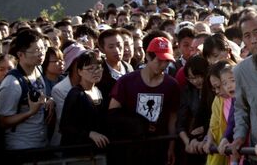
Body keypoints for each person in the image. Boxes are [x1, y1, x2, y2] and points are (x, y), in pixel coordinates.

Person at [108, 36, 180, 165]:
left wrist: (171, 147)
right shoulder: (126, 81)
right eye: (159, 60)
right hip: (131, 148)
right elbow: (113, 112)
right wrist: (136, 123)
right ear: (148, 56)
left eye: (167, 61)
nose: (163, 65)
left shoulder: (172, 85)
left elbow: (173, 118)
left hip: (159, 147)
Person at [229, 10, 257, 164]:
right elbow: (241, 108)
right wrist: (239, 136)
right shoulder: (240, 71)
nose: (254, 40)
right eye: (247, 35)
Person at [0, 29, 54, 150]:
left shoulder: (38, 69)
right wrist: (30, 112)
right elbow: (3, 121)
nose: (41, 54)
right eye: (36, 50)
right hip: (21, 146)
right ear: (20, 54)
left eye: (43, 48)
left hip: (41, 141)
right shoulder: (12, 84)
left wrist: (49, 101)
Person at [59, 50, 109, 148]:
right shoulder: (76, 94)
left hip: (98, 149)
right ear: (80, 71)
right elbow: (65, 126)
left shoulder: (100, 91)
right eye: (90, 68)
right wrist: (89, 133)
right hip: (79, 150)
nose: (96, 72)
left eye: (98, 67)